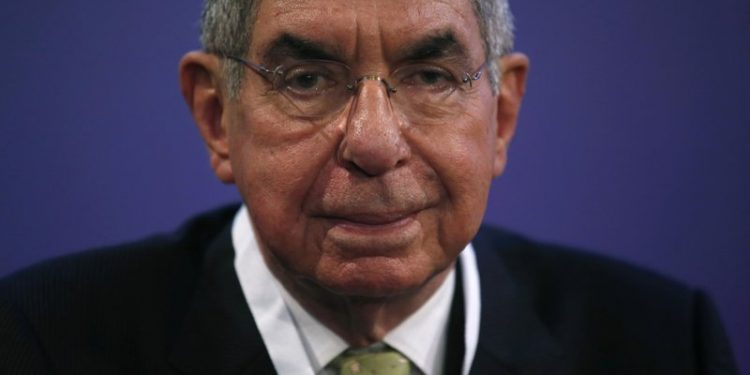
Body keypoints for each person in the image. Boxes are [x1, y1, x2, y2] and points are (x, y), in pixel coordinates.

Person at [0, 0, 739, 373]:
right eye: (308, 79)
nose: (376, 145)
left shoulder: (665, 345)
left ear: (502, 117)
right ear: (217, 117)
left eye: (430, 76)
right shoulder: (41, 343)